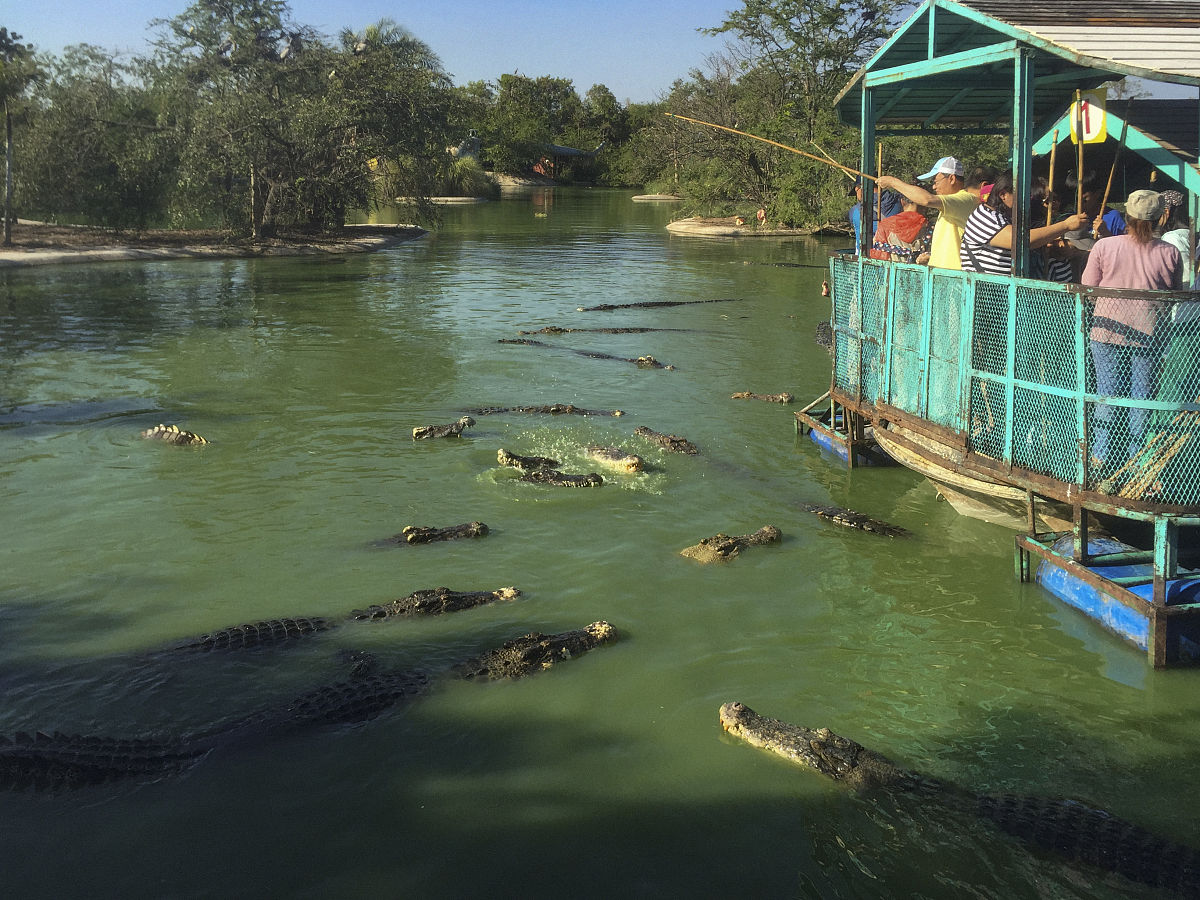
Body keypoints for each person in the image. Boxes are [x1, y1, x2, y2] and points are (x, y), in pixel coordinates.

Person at [1082, 190, 1184, 471]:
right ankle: (1136, 460)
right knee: (1142, 396)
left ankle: (1100, 456)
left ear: (1126, 215)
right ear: (1159, 218)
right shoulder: (1169, 252)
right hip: (1150, 330)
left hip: (1107, 328)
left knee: (1107, 392)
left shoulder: (1104, 246)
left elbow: (1088, 286)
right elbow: (1176, 291)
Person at [958, 171, 1088, 275]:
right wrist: (1065, 225)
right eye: (1025, 196)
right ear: (1003, 194)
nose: (1028, 201)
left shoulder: (1007, 218)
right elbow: (1020, 240)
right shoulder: (984, 216)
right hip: (984, 294)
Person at [877, 158, 991, 269]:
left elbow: (927, 199)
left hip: (952, 276)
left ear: (951, 179)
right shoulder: (953, 205)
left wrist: (892, 182)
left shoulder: (965, 199)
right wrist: (932, 256)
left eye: (936, 182)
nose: (934, 187)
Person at [868, 191, 932, 262]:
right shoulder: (930, 227)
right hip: (922, 268)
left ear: (902, 201)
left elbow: (878, 257)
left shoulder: (885, 225)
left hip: (894, 268)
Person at [1066, 169, 1126, 238]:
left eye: (1084, 200)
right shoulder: (1069, 218)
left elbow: (1124, 243)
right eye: (1075, 199)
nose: (1078, 203)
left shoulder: (1113, 217)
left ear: (1097, 194)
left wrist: (1106, 233)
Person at [848, 177, 902, 249]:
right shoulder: (898, 203)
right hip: (893, 253)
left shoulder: (854, 210)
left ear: (858, 188)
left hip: (866, 254)